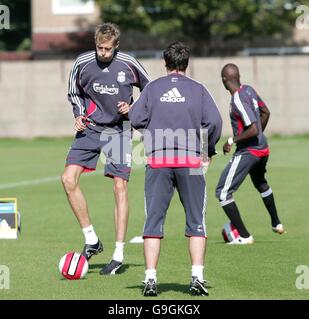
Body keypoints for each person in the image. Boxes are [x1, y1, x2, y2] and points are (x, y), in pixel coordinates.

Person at [128, 41, 222, 296]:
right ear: (186, 64)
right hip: (191, 162)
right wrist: (206, 150)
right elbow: (213, 122)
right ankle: (197, 278)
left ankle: (150, 280)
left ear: (165, 63)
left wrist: (153, 133)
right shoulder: (199, 89)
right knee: (196, 222)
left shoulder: (152, 88)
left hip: (158, 161)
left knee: (153, 223)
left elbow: (135, 118)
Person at [62, 23, 151, 275]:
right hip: (89, 128)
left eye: (107, 49)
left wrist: (133, 109)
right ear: (95, 43)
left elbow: (149, 89)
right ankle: (91, 239)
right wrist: (78, 114)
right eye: (99, 48)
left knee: (119, 187)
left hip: (119, 131)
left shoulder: (128, 63)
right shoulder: (82, 62)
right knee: (68, 179)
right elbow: (74, 92)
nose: (103, 52)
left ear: (116, 46)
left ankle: (119, 254)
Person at [216, 63, 286, 245]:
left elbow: (253, 128)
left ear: (225, 80)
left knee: (223, 192)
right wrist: (260, 135)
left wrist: (232, 140)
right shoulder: (249, 90)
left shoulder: (238, 99)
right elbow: (266, 112)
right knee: (261, 183)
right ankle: (276, 223)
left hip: (249, 152)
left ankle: (244, 236)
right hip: (263, 149)